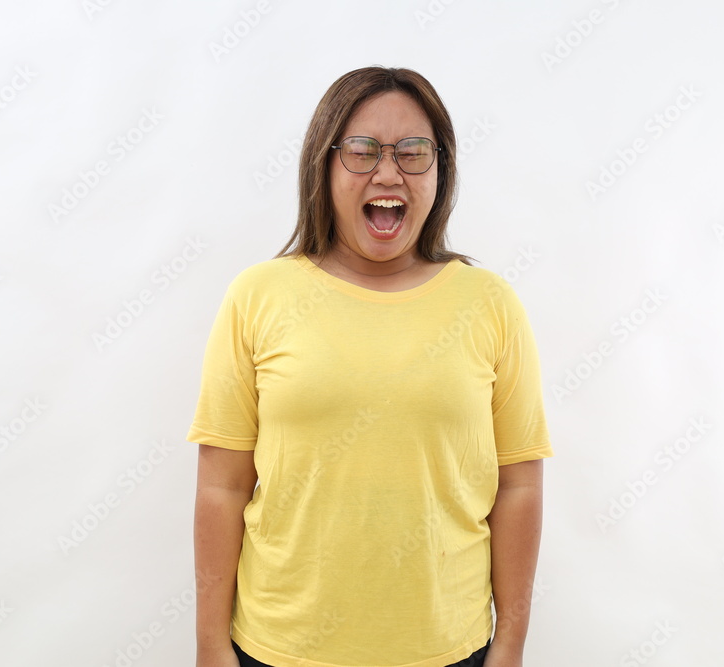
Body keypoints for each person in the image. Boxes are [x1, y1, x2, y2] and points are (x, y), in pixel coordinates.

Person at [187, 65, 553, 667]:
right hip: (277, 649)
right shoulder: (257, 296)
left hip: (448, 650)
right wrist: (209, 648)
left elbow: (518, 486)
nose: (389, 172)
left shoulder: (490, 303)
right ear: (323, 165)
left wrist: (510, 646)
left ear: (442, 169)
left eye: (414, 152)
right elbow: (221, 488)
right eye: (361, 151)